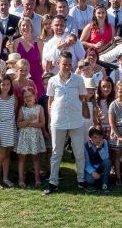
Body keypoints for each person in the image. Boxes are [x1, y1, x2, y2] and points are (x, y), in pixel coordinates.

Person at [45, 53, 89, 194]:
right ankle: (53, 182)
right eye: (64, 64)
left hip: (76, 120)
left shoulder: (78, 80)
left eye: (70, 64)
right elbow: (50, 101)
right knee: (56, 153)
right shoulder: (52, 81)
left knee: (79, 152)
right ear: (58, 63)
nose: (67, 67)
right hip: (58, 120)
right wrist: (50, 119)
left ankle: (81, 181)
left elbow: (83, 97)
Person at [13, 85, 45, 187]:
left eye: (30, 96)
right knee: (22, 158)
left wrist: (30, 124)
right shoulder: (22, 109)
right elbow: (18, 124)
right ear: (23, 98)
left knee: (35, 158)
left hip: (35, 136)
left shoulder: (39, 108)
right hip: (24, 137)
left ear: (35, 96)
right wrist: (28, 120)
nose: (28, 98)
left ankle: (37, 178)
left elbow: (42, 123)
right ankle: (21, 178)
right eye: (25, 97)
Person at [85, 127, 111, 192]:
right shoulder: (86, 146)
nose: (98, 140)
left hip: (101, 165)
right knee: (90, 180)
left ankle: (105, 183)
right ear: (90, 138)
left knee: (107, 162)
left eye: (100, 137)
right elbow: (86, 162)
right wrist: (92, 171)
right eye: (95, 137)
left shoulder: (104, 142)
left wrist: (99, 148)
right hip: (91, 166)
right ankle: (95, 181)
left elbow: (106, 157)